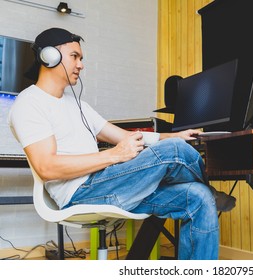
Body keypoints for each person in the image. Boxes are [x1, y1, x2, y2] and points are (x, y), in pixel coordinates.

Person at [8, 27, 236, 260]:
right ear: (49, 57)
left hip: (106, 183)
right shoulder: (29, 104)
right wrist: (114, 156)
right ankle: (210, 188)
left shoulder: (77, 104)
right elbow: (47, 168)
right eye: (75, 57)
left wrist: (174, 136)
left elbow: (124, 136)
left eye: (81, 58)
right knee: (175, 152)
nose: (81, 65)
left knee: (198, 197)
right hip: (81, 193)